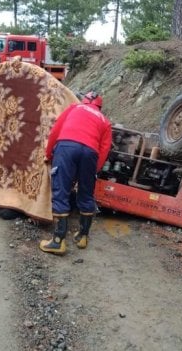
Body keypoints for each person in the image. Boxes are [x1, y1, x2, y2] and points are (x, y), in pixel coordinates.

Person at [40, 91, 112, 255]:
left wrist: (48, 153)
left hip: (67, 147)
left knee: (61, 191)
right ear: (99, 106)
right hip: (90, 153)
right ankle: (82, 237)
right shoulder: (105, 121)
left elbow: (56, 131)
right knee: (86, 195)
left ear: (85, 101)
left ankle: (58, 241)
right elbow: (104, 149)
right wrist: (94, 170)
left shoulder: (74, 108)